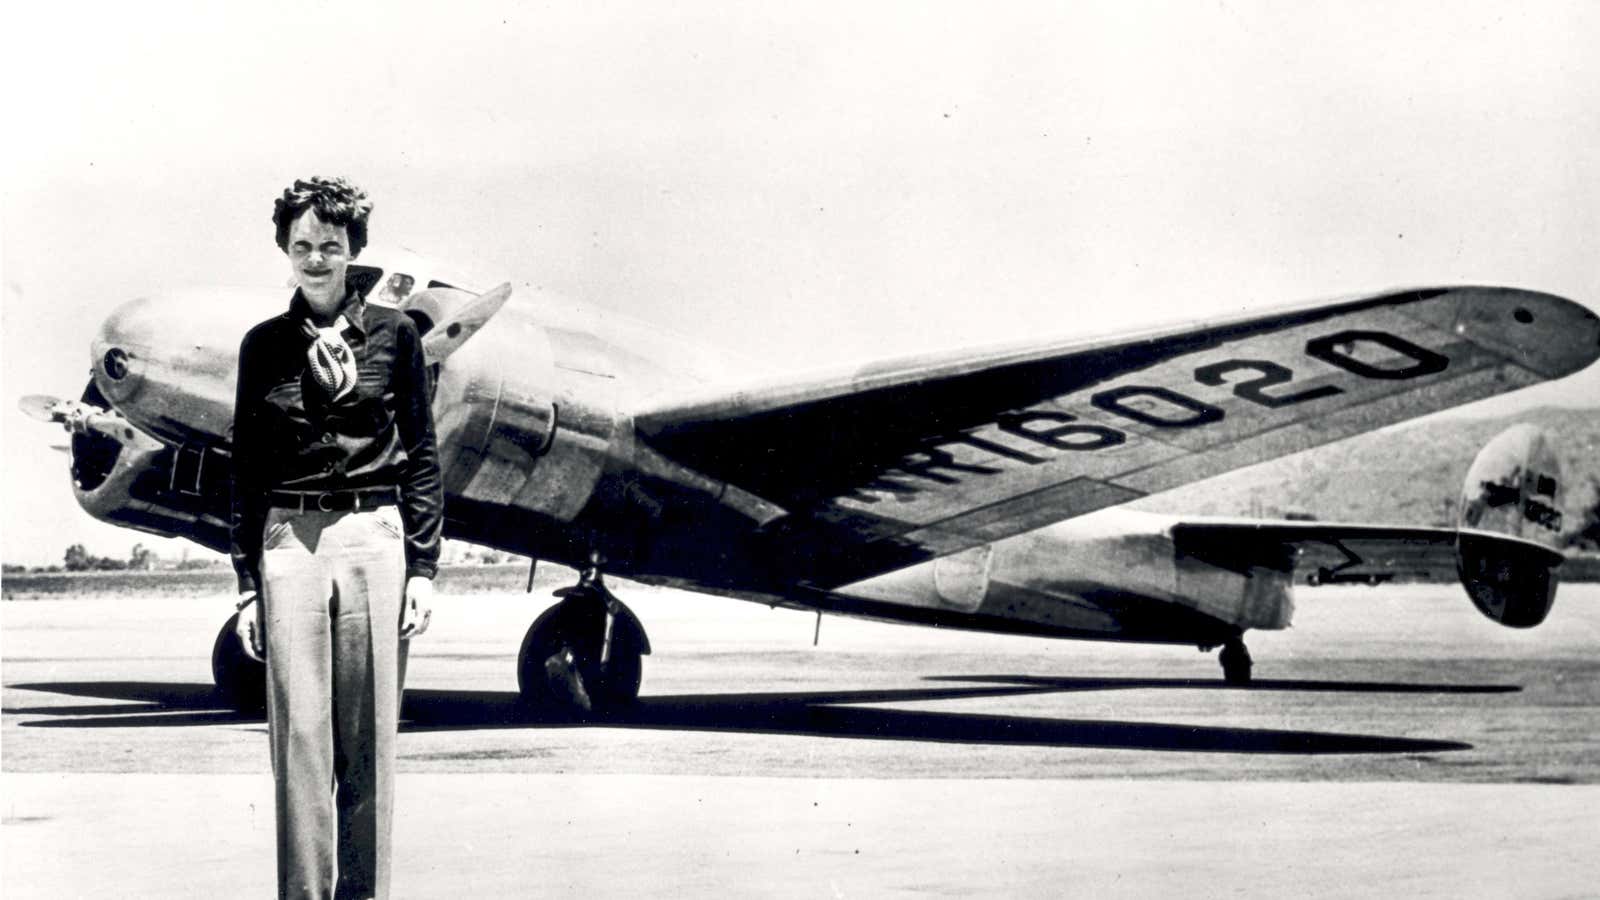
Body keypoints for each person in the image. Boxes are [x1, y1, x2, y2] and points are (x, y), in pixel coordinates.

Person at [230, 175, 443, 899]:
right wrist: (245, 583)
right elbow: (247, 467)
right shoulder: (262, 347)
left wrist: (424, 568)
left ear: (354, 249)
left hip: (373, 538)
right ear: (284, 252)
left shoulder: (397, 336)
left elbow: (421, 454)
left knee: (370, 744)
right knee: (297, 744)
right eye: (301, 246)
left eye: (329, 245)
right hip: (289, 541)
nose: (315, 259)